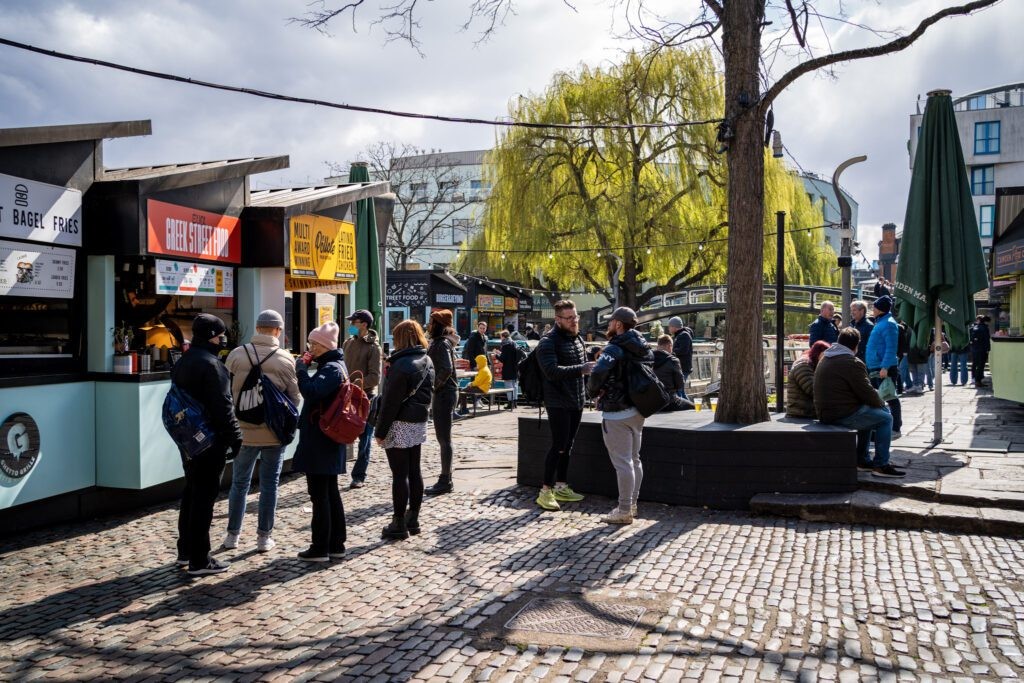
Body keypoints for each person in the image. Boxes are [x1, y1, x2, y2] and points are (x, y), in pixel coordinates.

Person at [223, 309, 300, 553]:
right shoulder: (286, 359)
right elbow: (295, 399)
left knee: (239, 483)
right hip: (273, 433)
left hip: (242, 430)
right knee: (270, 485)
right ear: (278, 330)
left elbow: (225, 392)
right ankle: (263, 538)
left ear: (257, 328)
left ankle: (232, 536)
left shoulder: (236, 355)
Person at [171, 313, 243, 576]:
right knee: (204, 499)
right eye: (220, 334)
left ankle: (185, 550)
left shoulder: (184, 361)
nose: (222, 339)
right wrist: (236, 440)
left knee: (191, 492)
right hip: (210, 440)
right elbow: (223, 408)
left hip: (187, 439)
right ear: (213, 335)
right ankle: (200, 560)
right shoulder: (213, 365)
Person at [586, 307, 650, 524]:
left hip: (616, 411)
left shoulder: (614, 348)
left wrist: (593, 391)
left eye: (611, 321)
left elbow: (597, 373)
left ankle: (623, 511)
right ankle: (632, 504)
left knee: (623, 463)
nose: (609, 325)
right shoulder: (643, 347)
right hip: (638, 410)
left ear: (619, 325)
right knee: (634, 460)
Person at [815, 327, 903, 478]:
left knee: (868, 415)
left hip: (825, 412)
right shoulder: (851, 362)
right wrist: (882, 404)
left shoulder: (827, 357)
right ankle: (881, 464)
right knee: (885, 418)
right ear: (856, 345)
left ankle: (862, 460)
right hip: (840, 414)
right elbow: (867, 393)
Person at [293, 322, 348, 562]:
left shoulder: (331, 369)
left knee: (320, 494)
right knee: (329, 492)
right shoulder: (333, 366)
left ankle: (320, 547)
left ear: (324, 345)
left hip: (322, 440)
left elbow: (312, 392)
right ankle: (335, 544)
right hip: (327, 439)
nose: (310, 348)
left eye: (313, 343)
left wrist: (301, 371)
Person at [374, 320, 434, 540]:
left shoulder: (400, 365)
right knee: (414, 470)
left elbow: (390, 403)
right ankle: (413, 518)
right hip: (418, 421)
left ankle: (398, 522)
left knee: (399, 474)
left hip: (399, 422)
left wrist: (380, 431)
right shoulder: (426, 360)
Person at [535, 300, 595, 511]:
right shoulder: (547, 342)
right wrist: (581, 369)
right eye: (569, 318)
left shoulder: (577, 338)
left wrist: (590, 391)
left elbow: (583, 372)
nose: (574, 321)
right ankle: (545, 491)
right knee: (558, 446)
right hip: (557, 401)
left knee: (567, 446)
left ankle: (561, 485)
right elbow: (551, 371)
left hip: (576, 400)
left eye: (575, 317)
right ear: (557, 319)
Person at [342, 310, 382, 489]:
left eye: (354, 322)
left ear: (364, 324)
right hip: (346, 395)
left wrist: (356, 382)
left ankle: (359, 475)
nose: (351, 325)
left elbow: (375, 377)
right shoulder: (347, 343)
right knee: (341, 431)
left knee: (365, 438)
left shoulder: (374, 347)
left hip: (366, 397)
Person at [425, 310, 459, 496]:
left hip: (444, 394)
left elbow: (446, 369)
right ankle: (445, 478)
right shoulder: (441, 343)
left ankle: (445, 479)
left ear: (438, 324)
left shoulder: (441, 344)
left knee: (444, 439)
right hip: (445, 393)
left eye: (431, 321)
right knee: (443, 438)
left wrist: (433, 386)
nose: (429, 325)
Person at [864, 295, 902, 438]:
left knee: (890, 397)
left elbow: (891, 348)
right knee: (879, 398)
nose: (872, 309)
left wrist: (885, 367)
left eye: (874, 306)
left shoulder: (889, 324)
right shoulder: (883, 322)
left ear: (879, 309)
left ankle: (896, 429)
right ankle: (879, 428)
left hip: (883, 368)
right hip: (876, 366)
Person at [786, 340, 830, 418]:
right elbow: (812, 389)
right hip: (800, 413)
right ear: (818, 353)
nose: (827, 360)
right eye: (825, 356)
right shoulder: (803, 365)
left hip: (805, 411)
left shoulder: (811, 364)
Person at [498, 330, 523, 410]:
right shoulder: (514, 343)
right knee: (514, 385)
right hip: (515, 368)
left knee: (509, 386)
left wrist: (496, 355)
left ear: (503, 336)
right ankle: (515, 403)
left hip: (508, 368)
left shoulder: (505, 345)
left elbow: (503, 359)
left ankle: (510, 403)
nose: (500, 338)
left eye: (500, 336)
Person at [970, 315, 991, 387]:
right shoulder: (984, 328)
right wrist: (988, 349)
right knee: (981, 365)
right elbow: (986, 339)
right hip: (982, 349)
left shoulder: (975, 327)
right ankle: (978, 381)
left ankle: (976, 379)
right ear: (985, 321)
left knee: (975, 364)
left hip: (974, 349)